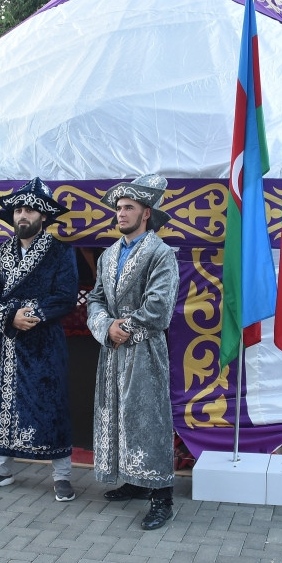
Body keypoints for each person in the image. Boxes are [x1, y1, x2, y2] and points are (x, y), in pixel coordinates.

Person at [0, 178, 79, 501]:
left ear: (43, 216)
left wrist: (28, 314)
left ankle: (62, 475)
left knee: (53, 403)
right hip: (9, 342)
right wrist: (9, 317)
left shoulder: (61, 252)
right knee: (4, 402)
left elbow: (65, 296)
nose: (23, 215)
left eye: (30, 210)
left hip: (45, 341)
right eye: (18, 209)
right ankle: (1, 469)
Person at [86, 174, 180, 530]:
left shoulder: (160, 253)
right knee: (118, 415)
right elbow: (95, 298)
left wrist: (122, 328)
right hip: (111, 351)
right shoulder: (109, 255)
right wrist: (103, 327)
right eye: (119, 208)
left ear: (146, 213)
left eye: (128, 208)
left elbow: (159, 308)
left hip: (144, 350)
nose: (120, 214)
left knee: (148, 417)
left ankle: (162, 497)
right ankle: (133, 480)